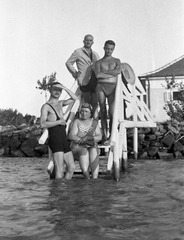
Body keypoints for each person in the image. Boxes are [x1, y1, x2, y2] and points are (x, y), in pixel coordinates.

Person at [40, 82, 78, 179]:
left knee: (71, 167)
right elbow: (42, 123)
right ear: (50, 90)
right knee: (60, 169)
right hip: (55, 138)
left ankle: (62, 189)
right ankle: (58, 192)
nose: (57, 92)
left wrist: (65, 87)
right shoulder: (46, 106)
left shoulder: (60, 103)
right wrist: (58, 122)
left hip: (63, 139)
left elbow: (75, 98)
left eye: (59, 90)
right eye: (55, 89)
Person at [65, 34, 100, 119]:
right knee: (86, 104)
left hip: (94, 80)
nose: (88, 42)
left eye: (90, 40)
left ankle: (94, 123)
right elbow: (68, 63)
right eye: (87, 40)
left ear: (93, 42)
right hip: (84, 80)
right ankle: (85, 123)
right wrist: (75, 73)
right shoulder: (78, 52)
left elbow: (99, 66)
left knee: (95, 103)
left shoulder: (95, 54)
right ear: (83, 41)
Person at [94, 40, 121, 145]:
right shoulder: (98, 62)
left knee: (112, 112)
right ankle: (104, 134)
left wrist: (104, 72)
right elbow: (98, 75)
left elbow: (118, 71)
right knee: (103, 110)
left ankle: (111, 135)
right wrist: (111, 74)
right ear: (104, 48)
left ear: (113, 49)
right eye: (107, 48)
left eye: (111, 49)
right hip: (100, 86)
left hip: (112, 87)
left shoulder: (117, 60)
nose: (109, 51)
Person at [69, 103, 102, 179]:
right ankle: (86, 177)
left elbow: (99, 136)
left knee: (94, 150)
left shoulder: (94, 123)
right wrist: (81, 140)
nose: (84, 113)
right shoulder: (77, 122)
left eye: (86, 111)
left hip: (90, 146)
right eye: (82, 111)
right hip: (78, 147)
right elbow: (72, 136)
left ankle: (94, 178)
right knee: (84, 150)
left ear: (90, 113)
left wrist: (89, 138)